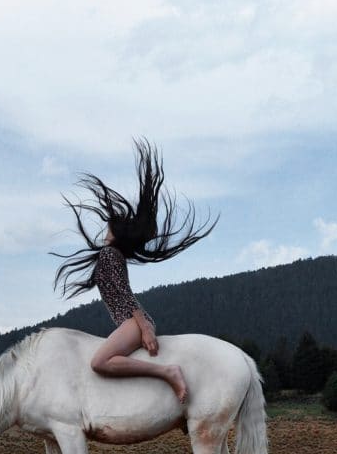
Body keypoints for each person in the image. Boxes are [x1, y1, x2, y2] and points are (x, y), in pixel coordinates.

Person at [53, 140, 216, 402]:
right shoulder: (111, 255)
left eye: (109, 227)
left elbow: (125, 294)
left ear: (116, 234)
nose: (105, 229)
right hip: (132, 322)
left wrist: (146, 330)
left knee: (99, 361)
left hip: (133, 322)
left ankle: (168, 373)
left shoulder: (109, 254)